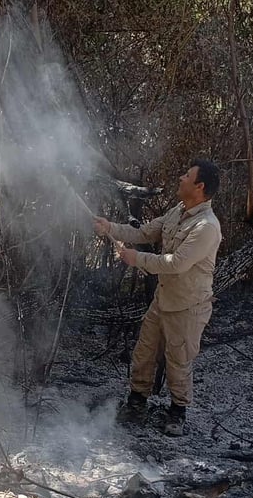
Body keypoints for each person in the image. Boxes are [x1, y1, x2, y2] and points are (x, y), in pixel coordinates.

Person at [94, 159, 222, 436]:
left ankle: (178, 412)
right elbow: (143, 232)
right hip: (162, 300)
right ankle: (137, 403)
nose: (180, 177)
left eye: (186, 175)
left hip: (188, 306)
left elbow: (176, 263)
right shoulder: (178, 211)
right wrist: (110, 228)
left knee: (178, 361)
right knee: (144, 352)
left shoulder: (207, 227)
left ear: (199, 186)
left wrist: (136, 258)